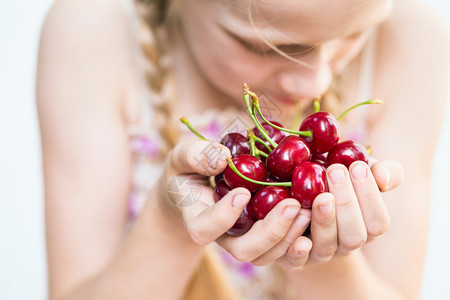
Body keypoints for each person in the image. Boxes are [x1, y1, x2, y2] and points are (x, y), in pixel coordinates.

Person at [36, 0, 449, 299]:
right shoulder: (93, 34)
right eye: (260, 46)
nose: (314, 84)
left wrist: (321, 249)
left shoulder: (413, 41)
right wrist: (168, 223)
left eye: (354, 34)